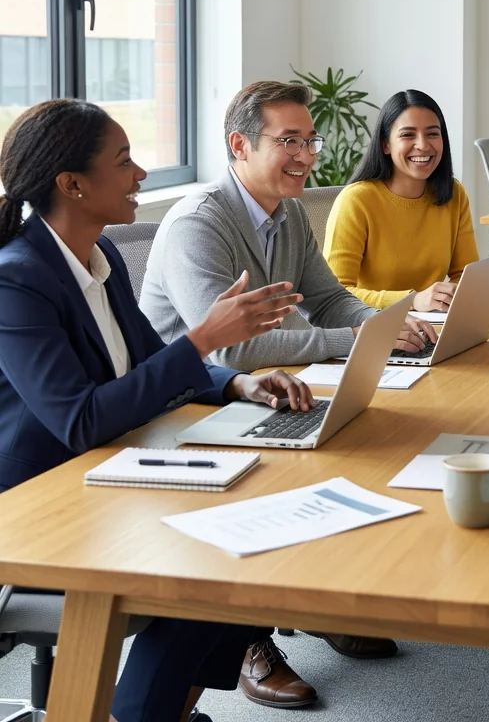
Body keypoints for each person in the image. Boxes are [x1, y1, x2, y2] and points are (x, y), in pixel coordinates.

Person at [0, 99, 314, 722]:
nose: (141, 173)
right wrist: (203, 340)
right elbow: (80, 419)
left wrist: (233, 386)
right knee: (209, 561)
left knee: (247, 534)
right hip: (39, 505)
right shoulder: (17, 279)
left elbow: (149, 358)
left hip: (108, 475)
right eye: (124, 162)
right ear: (72, 184)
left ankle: (153, 711)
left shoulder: (102, 256)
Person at [140, 81, 432, 706]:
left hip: (259, 392)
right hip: (187, 409)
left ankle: (310, 592)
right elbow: (227, 350)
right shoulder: (200, 223)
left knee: (368, 433)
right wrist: (342, 340)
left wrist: (377, 329)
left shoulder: (290, 212)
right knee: (305, 459)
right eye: (289, 141)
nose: (306, 155)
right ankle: (253, 636)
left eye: (310, 140)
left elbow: (327, 298)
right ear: (239, 145)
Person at [322, 90, 479, 310]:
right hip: (374, 329)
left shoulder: (454, 193)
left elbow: (465, 274)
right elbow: (335, 295)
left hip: (434, 328)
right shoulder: (357, 200)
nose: (422, 145)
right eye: (408, 135)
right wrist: (412, 301)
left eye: (433, 134)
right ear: (386, 144)